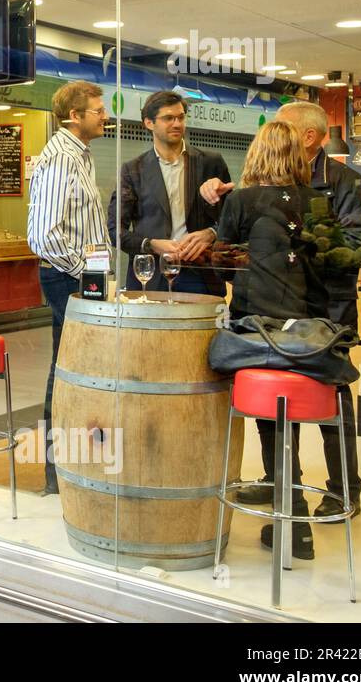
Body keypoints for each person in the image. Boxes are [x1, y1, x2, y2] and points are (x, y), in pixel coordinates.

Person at [231, 101, 361, 520]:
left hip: (324, 312)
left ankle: (344, 488)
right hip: (270, 309)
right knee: (272, 396)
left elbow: (354, 248)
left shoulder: (344, 182)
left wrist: (298, 251)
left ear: (307, 137)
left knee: (331, 395)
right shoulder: (261, 191)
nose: (273, 134)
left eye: (281, 128)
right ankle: (281, 484)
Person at [214, 120, 330, 559]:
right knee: (288, 413)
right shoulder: (318, 201)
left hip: (256, 329)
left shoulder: (241, 201)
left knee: (267, 412)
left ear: (256, 154)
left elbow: (224, 266)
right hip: (307, 334)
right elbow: (328, 268)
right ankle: (296, 518)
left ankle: (290, 512)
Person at [26, 80, 111, 495]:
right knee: (69, 371)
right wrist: (83, 271)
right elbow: (43, 235)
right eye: (98, 110)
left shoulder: (80, 155)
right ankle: (57, 473)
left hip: (77, 275)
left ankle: (65, 470)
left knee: (70, 368)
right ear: (75, 117)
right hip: (67, 276)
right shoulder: (60, 158)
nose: (106, 116)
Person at [107, 91, 229, 296]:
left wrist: (211, 233)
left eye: (181, 117)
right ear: (149, 123)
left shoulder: (210, 163)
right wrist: (152, 245)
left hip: (200, 274)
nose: (177, 124)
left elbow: (233, 219)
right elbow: (115, 230)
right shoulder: (133, 170)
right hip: (151, 275)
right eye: (168, 118)